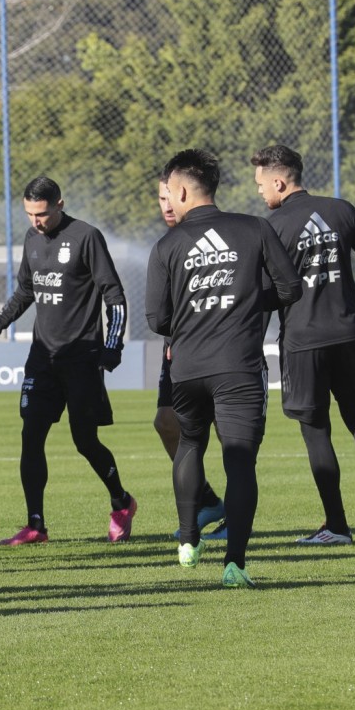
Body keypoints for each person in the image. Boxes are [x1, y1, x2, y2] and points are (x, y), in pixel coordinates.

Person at [147, 148, 301, 588]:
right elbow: (289, 287)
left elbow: (157, 320)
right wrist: (250, 304)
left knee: (191, 443)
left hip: (188, 368)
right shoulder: (254, 228)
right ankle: (235, 563)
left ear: (179, 189)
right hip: (239, 367)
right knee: (240, 462)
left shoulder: (167, 245)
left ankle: (189, 540)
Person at [252, 144, 355, 541]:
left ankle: (337, 525)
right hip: (346, 331)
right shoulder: (342, 209)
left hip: (303, 341)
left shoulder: (271, 228)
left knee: (315, 428)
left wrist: (252, 339)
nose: (259, 192)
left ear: (279, 180)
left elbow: (269, 293)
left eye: (260, 184)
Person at [0, 176, 135, 544]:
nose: (37, 221)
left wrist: (112, 345)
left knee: (85, 441)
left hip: (81, 358)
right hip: (42, 360)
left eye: (43, 214)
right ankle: (36, 525)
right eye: (30, 214)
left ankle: (121, 501)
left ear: (60, 204)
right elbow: (23, 294)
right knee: (30, 437)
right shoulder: (32, 240)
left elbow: (113, 294)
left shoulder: (86, 237)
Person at [154, 173, 227, 541]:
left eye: (170, 196)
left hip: (222, 353)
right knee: (166, 422)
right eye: (160, 198)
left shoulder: (223, 234)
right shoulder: (169, 243)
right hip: (179, 351)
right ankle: (208, 500)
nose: (166, 205)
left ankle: (234, 516)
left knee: (229, 431)